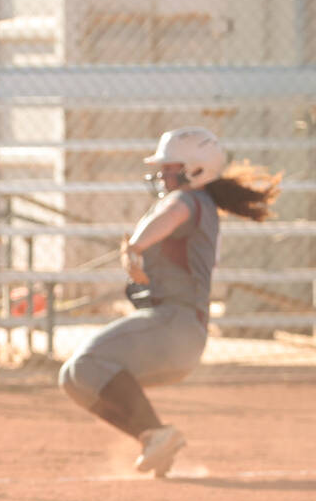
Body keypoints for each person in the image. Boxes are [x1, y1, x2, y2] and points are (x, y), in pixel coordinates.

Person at [59, 127, 281, 477]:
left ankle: (158, 434)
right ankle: (154, 437)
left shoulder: (188, 200)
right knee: (73, 378)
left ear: (195, 169)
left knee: (87, 363)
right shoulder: (198, 202)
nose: (163, 174)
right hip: (172, 332)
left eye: (170, 166)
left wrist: (135, 246)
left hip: (174, 327)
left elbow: (170, 216)